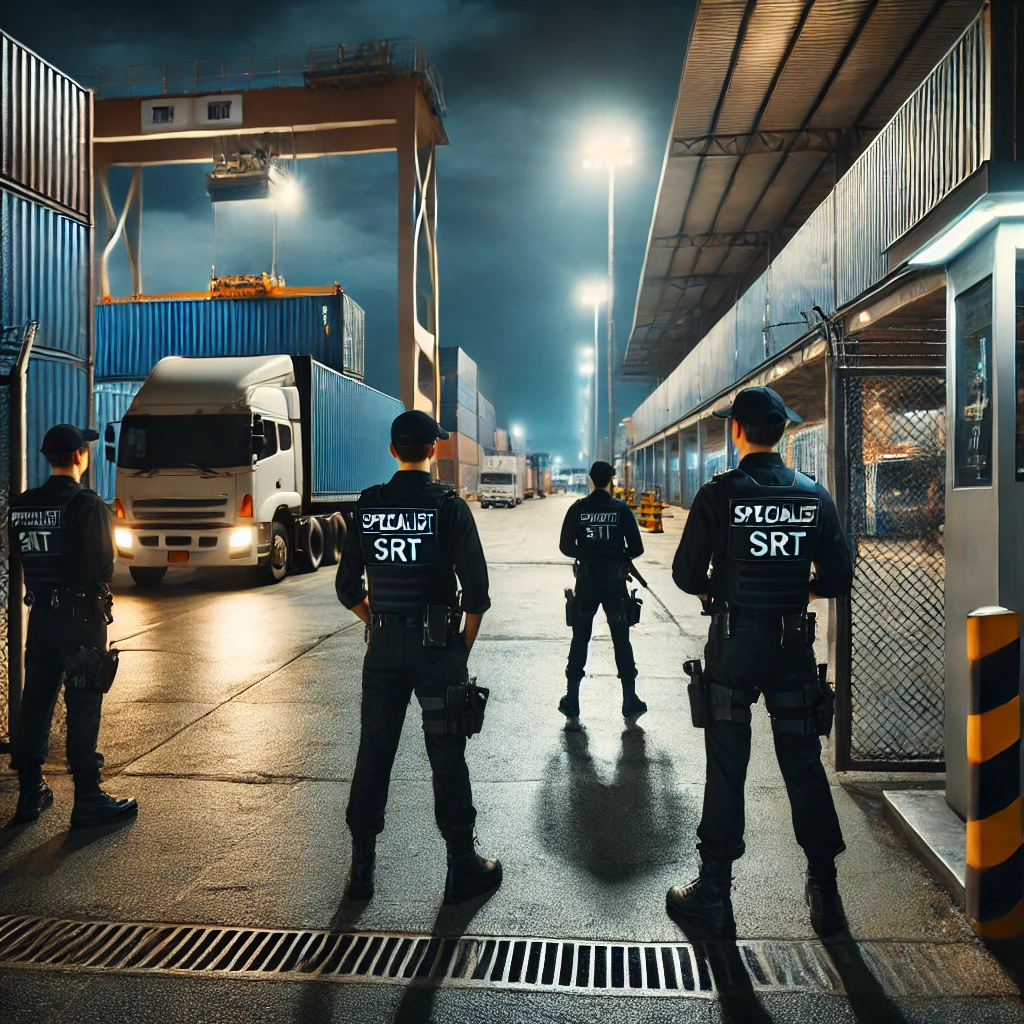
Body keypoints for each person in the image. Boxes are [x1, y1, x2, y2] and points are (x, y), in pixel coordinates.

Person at [666, 387, 853, 937]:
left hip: (734, 645)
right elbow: (839, 579)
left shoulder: (718, 495)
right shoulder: (814, 496)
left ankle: (714, 892)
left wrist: (714, 593)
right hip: (793, 648)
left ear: (737, 431)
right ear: (784, 432)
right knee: (804, 766)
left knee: (727, 766)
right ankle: (825, 894)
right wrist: (797, 589)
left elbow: (682, 574)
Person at [336, 410, 501, 904]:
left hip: (383, 647)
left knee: (374, 752)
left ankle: (361, 870)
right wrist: (460, 647)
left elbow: (347, 590)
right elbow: (476, 594)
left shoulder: (368, 507)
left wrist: (378, 623)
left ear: (393, 450)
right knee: (446, 756)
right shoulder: (449, 507)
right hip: (438, 647)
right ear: (434, 450)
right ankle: (461, 868)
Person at [8, 424, 138, 829]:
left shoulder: (23, 505)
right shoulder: (86, 504)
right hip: (80, 620)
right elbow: (102, 566)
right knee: (82, 703)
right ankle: (87, 798)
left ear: (48, 457)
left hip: (41, 614)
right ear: (81, 455)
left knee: (37, 701)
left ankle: (31, 793)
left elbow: (16, 553)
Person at [557, 460, 647, 728]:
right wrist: (617, 555)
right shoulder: (621, 510)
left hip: (586, 583)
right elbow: (638, 548)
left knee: (580, 639)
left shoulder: (578, 509)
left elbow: (564, 546)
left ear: (590, 479)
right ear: (612, 479)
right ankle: (630, 700)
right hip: (615, 583)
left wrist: (586, 552)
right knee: (621, 639)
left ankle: (572, 700)